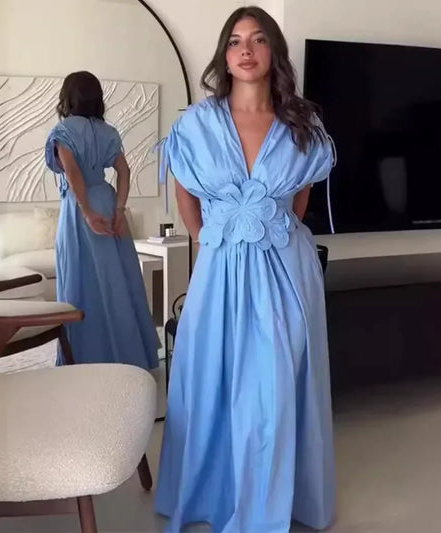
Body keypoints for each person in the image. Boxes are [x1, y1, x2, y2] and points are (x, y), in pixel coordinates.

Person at [155, 7, 336, 533]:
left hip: (285, 271)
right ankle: (215, 494)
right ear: (225, 55)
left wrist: (263, 231)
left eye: (258, 39)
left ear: (273, 50)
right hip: (218, 270)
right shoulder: (197, 123)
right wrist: (208, 239)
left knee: (274, 388)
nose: (246, 50)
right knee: (210, 379)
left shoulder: (302, 124)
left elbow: (299, 201)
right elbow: (184, 192)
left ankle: (270, 502)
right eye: (235, 41)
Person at [45, 71, 159, 371]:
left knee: (80, 281)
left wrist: (85, 211)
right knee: (119, 280)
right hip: (107, 202)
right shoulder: (108, 131)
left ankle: (83, 357)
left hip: (79, 208)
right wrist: (119, 210)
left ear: (68, 97)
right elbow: (124, 171)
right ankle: (130, 355)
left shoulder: (63, 131)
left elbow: (72, 172)